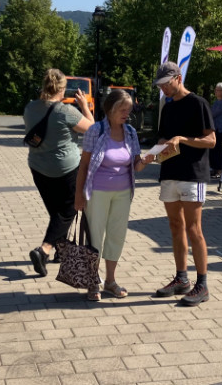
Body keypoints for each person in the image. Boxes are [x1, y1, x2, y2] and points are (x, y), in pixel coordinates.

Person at [74, 89, 151, 301]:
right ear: (110, 109)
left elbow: (136, 165)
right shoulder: (95, 131)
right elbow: (84, 165)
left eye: (129, 110)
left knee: (116, 236)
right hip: (97, 192)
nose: (127, 113)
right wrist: (79, 196)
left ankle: (110, 281)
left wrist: (146, 160)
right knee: (95, 237)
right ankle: (92, 282)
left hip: (123, 193)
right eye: (123, 109)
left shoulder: (131, 133)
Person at [152, 61, 216, 307]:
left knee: (194, 229)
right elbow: (161, 137)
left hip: (192, 174)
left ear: (178, 78)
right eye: (160, 86)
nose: (164, 89)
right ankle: (181, 278)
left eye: (166, 84)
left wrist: (183, 139)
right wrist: (155, 152)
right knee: (174, 226)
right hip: (169, 172)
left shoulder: (198, 103)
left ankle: (202, 284)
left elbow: (210, 141)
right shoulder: (166, 108)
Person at [25, 68, 94, 276]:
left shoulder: (29, 108)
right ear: (62, 89)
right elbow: (93, 129)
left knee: (56, 211)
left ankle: (60, 251)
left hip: (38, 167)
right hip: (66, 169)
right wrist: (84, 106)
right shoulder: (66, 111)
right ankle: (44, 249)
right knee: (69, 209)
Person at [209, 82, 222, 178]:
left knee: (218, 149)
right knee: (212, 149)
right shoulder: (216, 102)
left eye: (217, 90)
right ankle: (214, 168)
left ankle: (219, 169)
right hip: (213, 128)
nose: (215, 92)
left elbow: (213, 113)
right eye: (215, 90)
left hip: (218, 129)